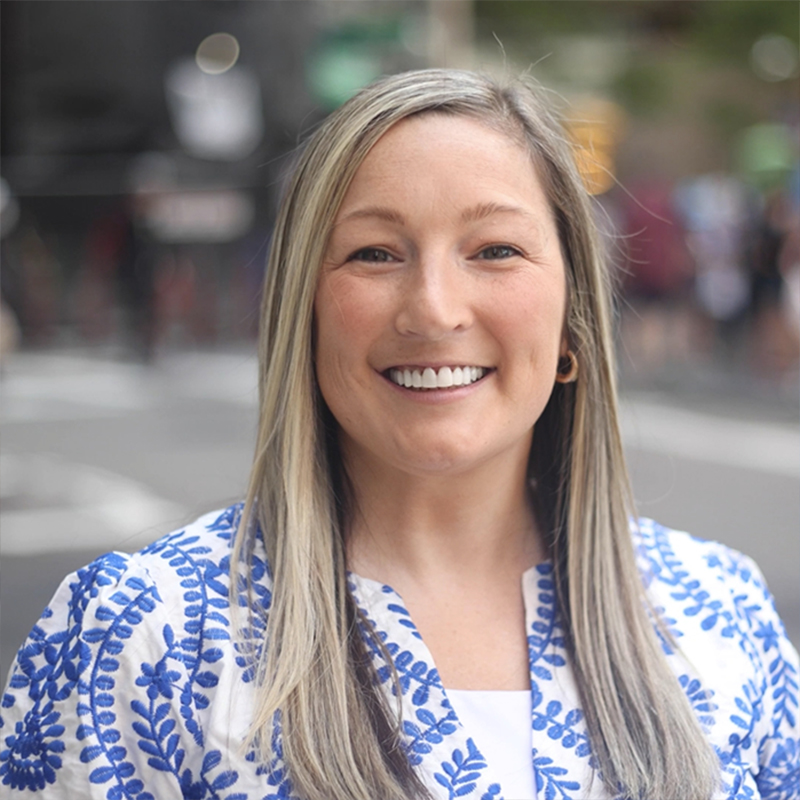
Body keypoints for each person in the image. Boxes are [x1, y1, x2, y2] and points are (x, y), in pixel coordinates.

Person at [1, 70, 797, 800]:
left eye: (495, 250)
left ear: (572, 322)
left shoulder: (721, 616)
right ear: (303, 314)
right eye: (374, 253)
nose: (434, 309)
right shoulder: (145, 635)